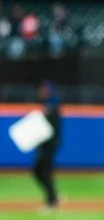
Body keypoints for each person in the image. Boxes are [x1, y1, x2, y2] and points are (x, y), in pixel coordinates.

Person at [31, 78, 62, 210]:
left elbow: (48, 124)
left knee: (44, 172)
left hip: (50, 145)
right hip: (44, 145)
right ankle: (53, 196)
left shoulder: (53, 102)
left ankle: (52, 201)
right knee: (38, 171)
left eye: (43, 89)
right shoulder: (48, 103)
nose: (41, 92)